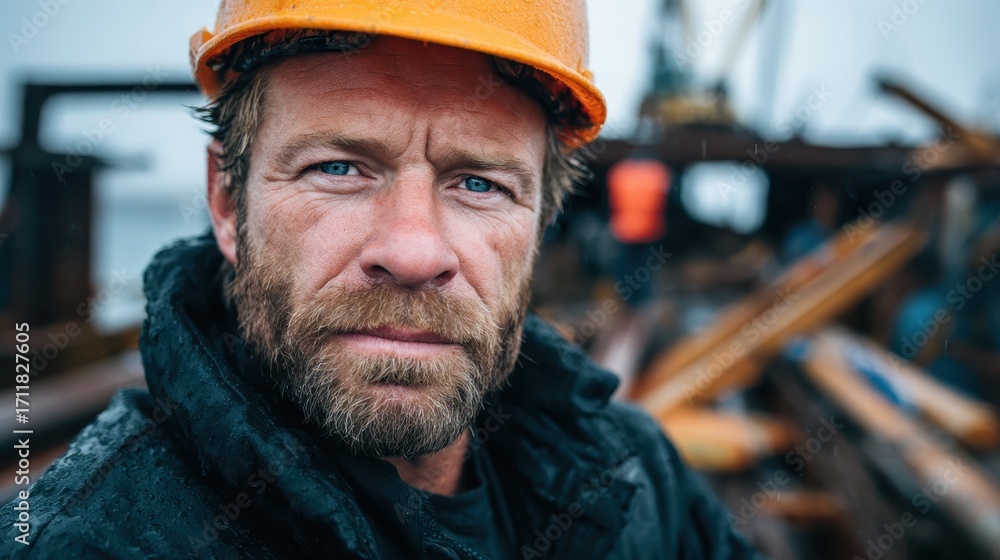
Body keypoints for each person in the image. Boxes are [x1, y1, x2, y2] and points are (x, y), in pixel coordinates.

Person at [3, 1, 758, 557]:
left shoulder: (634, 477)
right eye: (338, 168)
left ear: (541, 221)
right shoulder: (88, 543)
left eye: (480, 184)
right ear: (228, 201)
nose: (414, 251)